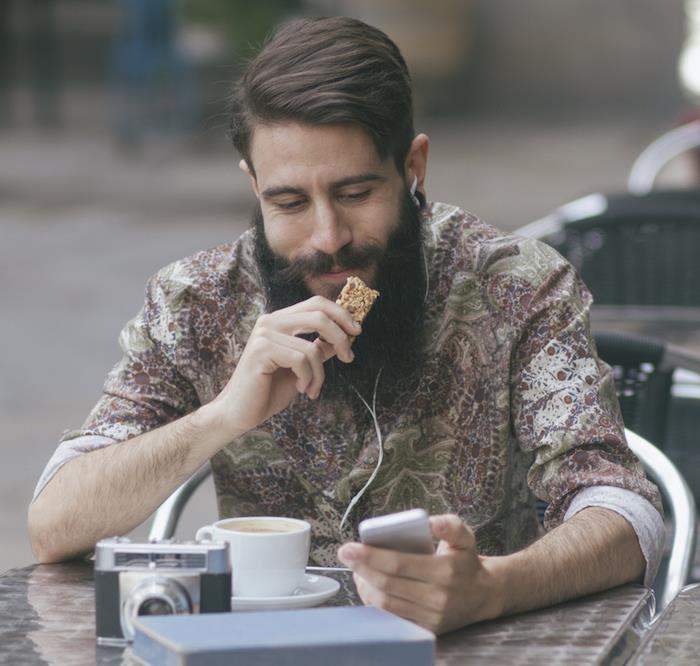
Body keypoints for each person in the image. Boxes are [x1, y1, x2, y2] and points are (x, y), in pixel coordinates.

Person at [28, 16, 664, 635]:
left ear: (413, 167)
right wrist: (222, 415)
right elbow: (55, 522)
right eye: (289, 202)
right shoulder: (193, 301)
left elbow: (626, 512)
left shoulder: (517, 285)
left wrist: (494, 588)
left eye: (356, 193)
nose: (328, 239)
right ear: (252, 184)